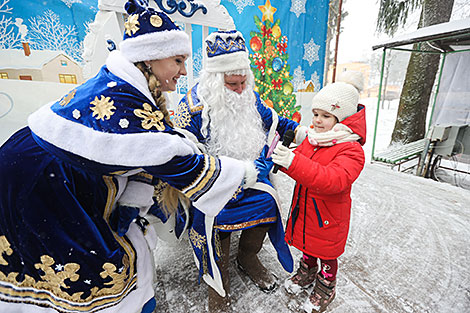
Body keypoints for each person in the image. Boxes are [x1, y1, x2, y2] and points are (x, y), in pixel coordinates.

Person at [0, 2, 261, 312]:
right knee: (89, 271)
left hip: (38, 166)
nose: (184, 71)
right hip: (41, 181)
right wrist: (243, 173)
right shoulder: (127, 105)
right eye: (177, 60)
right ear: (149, 58)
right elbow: (184, 167)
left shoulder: (127, 85)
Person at [173, 30, 308, 313]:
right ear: (214, 81)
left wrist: (300, 132)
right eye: (231, 84)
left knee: (267, 202)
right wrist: (223, 175)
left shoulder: (249, 95)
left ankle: (248, 257)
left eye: (243, 82)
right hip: (214, 184)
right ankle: (218, 280)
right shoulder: (191, 108)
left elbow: (274, 120)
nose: (238, 90)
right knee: (216, 221)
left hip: (253, 179)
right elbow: (182, 155)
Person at [271, 71, 366, 313]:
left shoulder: (351, 149)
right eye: (315, 114)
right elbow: (301, 163)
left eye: (326, 115)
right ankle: (307, 269)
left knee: (326, 254)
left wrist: (293, 162)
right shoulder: (315, 139)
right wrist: (281, 158)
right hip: (306, 210)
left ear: (342, 119)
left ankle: (326, 285)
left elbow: (333, 180)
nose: (317, 121)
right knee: (308, 245)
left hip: (327, 217)